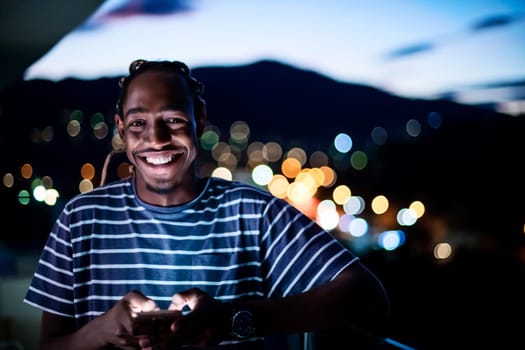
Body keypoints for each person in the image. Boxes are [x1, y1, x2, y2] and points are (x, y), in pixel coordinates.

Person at [23, 59, 390, 350]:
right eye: (138, 124)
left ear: (198, 120)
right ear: (121, 129)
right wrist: (101, 331)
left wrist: (233, 318)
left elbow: (367, 297)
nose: (157, 139)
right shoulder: (80, 219)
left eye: (173, 120)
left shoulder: (253, 212)